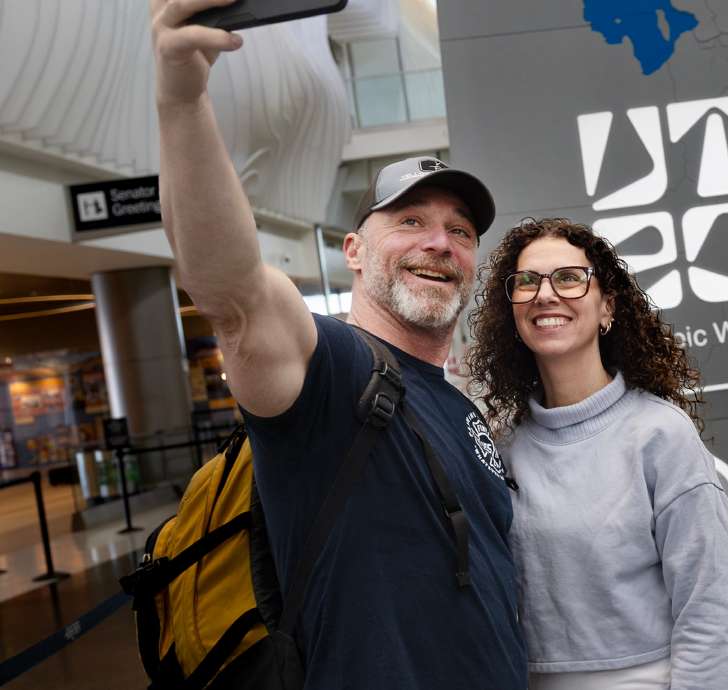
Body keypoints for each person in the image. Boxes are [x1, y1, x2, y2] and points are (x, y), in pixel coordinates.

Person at [148, 2, 526, 688]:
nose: (440, 243)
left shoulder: (458, 405)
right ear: (353, 251)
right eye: (410, 220)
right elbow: (232, 290)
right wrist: (182, 97)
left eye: (461, 231)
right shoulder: (329, 372)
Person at [467, 218, 728, 690]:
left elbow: (713, 608)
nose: (545, 294)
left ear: (607, 307)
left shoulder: (660, 435)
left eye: (569, 277)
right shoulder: (499, 445)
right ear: (513, 314)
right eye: (527, 282)